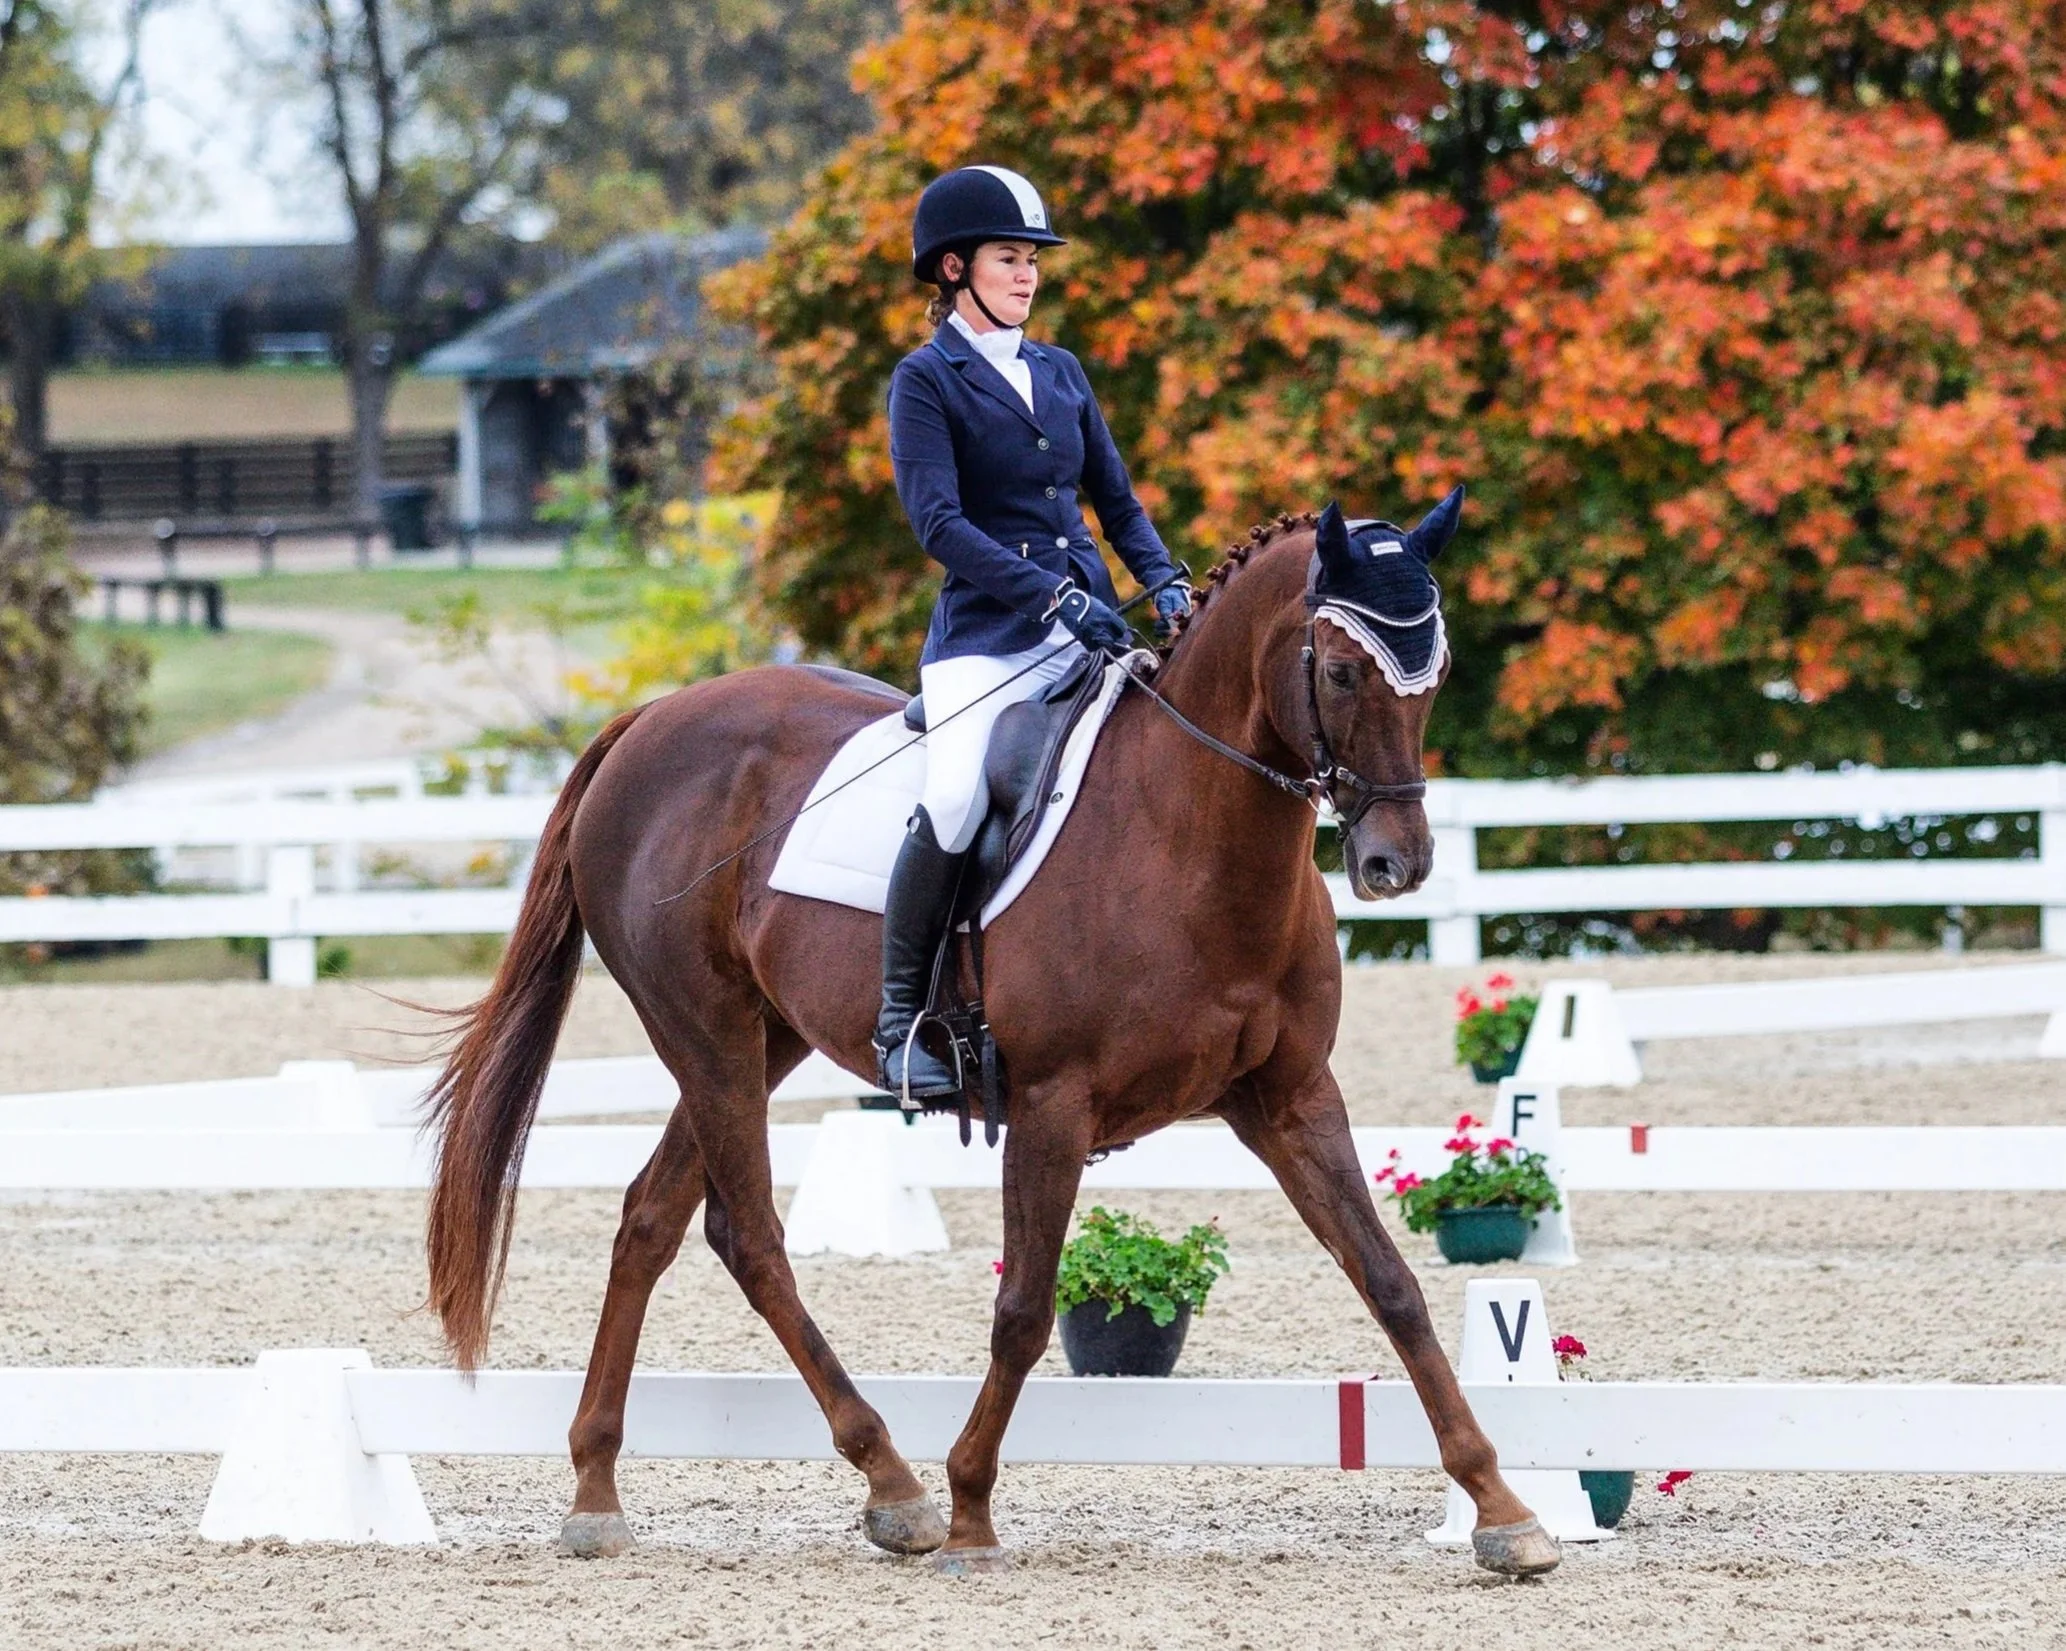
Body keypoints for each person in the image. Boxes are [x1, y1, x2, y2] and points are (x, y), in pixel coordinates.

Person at [874, 164, 1192, 1100]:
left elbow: (1116, 502)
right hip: (986, 640)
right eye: (1009, 259)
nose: (1028, 276)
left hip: (1090, 628)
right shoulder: (925, 380)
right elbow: (939, 524)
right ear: (955, 269)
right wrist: (1051, 597)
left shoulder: (1060, 371)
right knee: (956, 796)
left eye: (1033, 261)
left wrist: (1165, 580)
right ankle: (900, 1021)